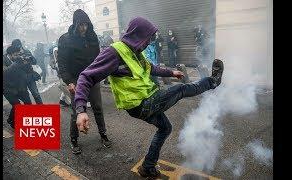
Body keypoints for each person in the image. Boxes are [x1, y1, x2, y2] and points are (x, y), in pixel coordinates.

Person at [74, 17, 224, 178]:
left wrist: (171, 72)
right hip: (141, 104)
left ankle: (147, 167)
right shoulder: (114, 52)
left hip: (146, 100)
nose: (149, 42)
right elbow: (86, 77)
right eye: (148, 38)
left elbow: (149, 67)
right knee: (181, 89)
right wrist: (81, 110)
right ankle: (213, 81)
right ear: (137, 35)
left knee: (166, 128)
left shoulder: (135, 51)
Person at [57, 9, 111, 154]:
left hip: (92, 76)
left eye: (86, 25)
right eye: (80, 25)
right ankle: (74, 140)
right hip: (75, 78)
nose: (83, 28)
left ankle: (103, 134)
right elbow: (61, 63)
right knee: (77, 111)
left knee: (98, 108)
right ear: (75, 24)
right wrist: (69, 81)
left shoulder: (92, 37)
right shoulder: (65, 39)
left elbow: (98, 58)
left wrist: (101, 72)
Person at [3, 45, 32, 128]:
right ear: (10, 55)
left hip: (20, 86)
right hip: (7, 88)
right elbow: (5, 72)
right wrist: (16, 64)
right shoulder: (4, 60)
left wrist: (28, 63)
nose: (17, 57)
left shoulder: (20, 59)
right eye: (15, 55)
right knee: (17, 106)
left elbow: (28, 71)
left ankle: (25, 121)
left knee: (28, 104)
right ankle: (12, 121)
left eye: (18, 54)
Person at [11, 39, 43, 104]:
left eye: (17, 46)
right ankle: (30, 112)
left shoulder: (27, 52)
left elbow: (34, 62)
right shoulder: (13, 55)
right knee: (26, 98)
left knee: (35, 94)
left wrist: (30, 58)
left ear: (20, 45)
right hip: (20, 79)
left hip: (29, 76)